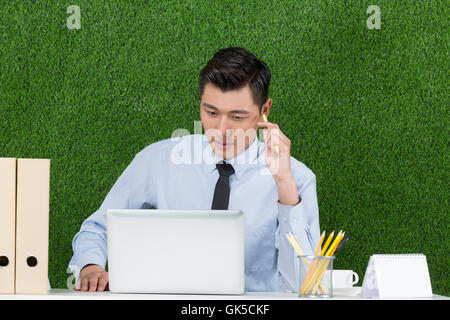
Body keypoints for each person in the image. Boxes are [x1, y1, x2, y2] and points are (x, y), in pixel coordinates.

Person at [68, 47, 320, 292]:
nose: (221, 130)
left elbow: (305, 283)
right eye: (211, 112)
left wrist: (284, 184)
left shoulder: (297, 178)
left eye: (237, 117)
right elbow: (97, 228)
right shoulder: (159, 160)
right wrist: (90, 267)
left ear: (264, 111)